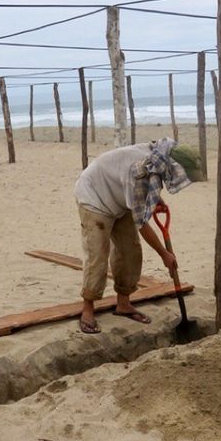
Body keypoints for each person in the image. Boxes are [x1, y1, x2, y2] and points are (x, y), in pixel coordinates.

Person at [70, 137, 199, 336]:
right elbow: (142, 224)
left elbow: (150, 185)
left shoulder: (158, 158)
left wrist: (157, 200)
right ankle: (88, 308)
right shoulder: (140, 173)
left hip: (119, 197)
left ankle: (123, 304)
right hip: (94, 195)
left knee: (130, 250)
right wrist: (164, 254)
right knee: (98, 254)